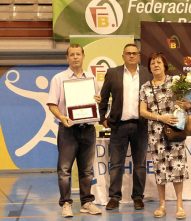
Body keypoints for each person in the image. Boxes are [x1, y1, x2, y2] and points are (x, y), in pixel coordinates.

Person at [47, 44, 102, 218]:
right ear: (67, 58)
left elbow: (97, 102)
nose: (75, 57)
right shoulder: (59, 78)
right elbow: (52, 104)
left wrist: (98, 100)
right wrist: (62, 117)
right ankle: (66, 203)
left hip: (88, 129)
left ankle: (86, 202)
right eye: (72, 54)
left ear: (83, 56)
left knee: (86, 170)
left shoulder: (92, 79)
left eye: (78, 54)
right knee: (64, 169)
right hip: (68, 129)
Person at [139, 52, 191, 219]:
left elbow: (186, 103)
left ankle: (179, 205)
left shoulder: (176, 83)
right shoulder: (145, 87)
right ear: (149, 67)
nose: (155, 65)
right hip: (156, 133)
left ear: (164, 66)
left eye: (159, 63)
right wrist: (160, 117)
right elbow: (142, 111)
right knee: (160, 170)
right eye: (152, 63)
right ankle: (162, 205)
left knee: (177, 167)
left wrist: (187, 104)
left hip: (175, 131)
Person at [98, 43, 152, 210]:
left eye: (134, 53)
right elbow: (104, 96)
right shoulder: (112, 73)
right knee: (115, 164)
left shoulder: (147, 74)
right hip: (118, 126)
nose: (131, 56)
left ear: (139, 56)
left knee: (140, 164)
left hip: (141, 126)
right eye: (128, 53)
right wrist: (102, 118)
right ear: (123, 56)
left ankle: (137, 197)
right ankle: (114, 197)